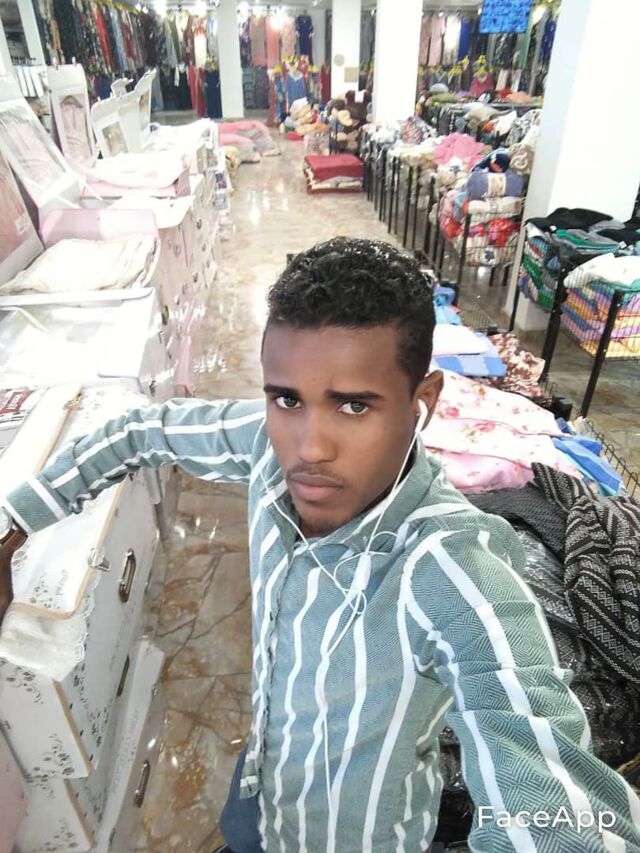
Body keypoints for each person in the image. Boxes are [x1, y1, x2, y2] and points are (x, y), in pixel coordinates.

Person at [1, 238, 639, 853]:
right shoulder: (267, 444)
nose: (309, 448)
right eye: (288, 399)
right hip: (259, 779)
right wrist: (14, 525)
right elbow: (139, 431)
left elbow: (547, 787)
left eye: (354, 406)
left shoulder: (451, 566)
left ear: (422, 401)